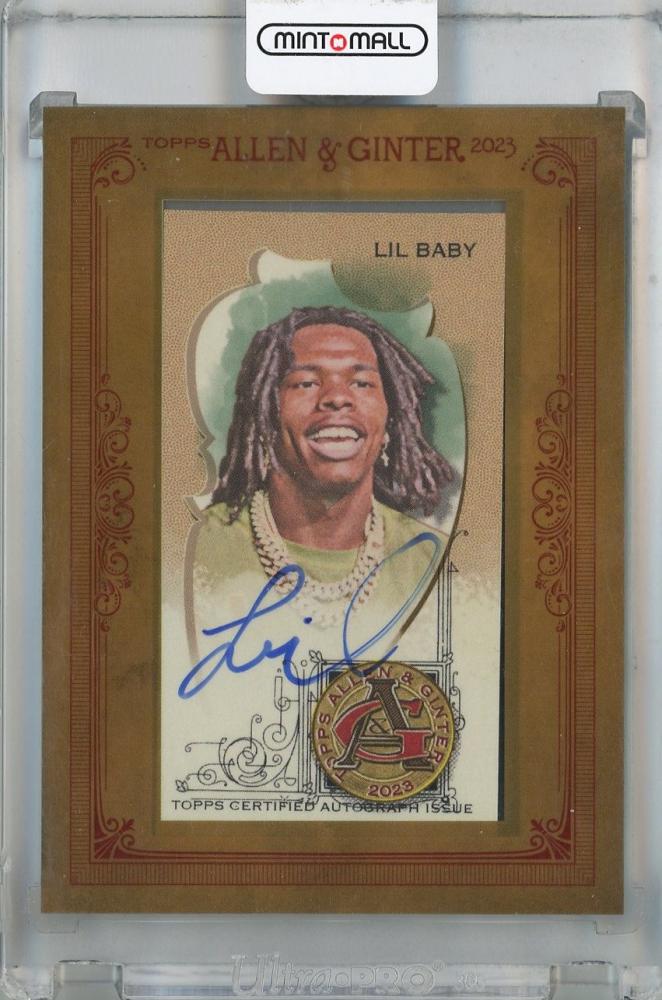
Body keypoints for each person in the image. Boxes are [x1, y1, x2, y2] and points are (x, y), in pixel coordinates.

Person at [189, 305, 455, 658]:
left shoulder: (436, 565)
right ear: (265, 415)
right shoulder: (193, 554)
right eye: (306, 383)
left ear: (390, 419)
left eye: (362, 383)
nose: (337, 398)